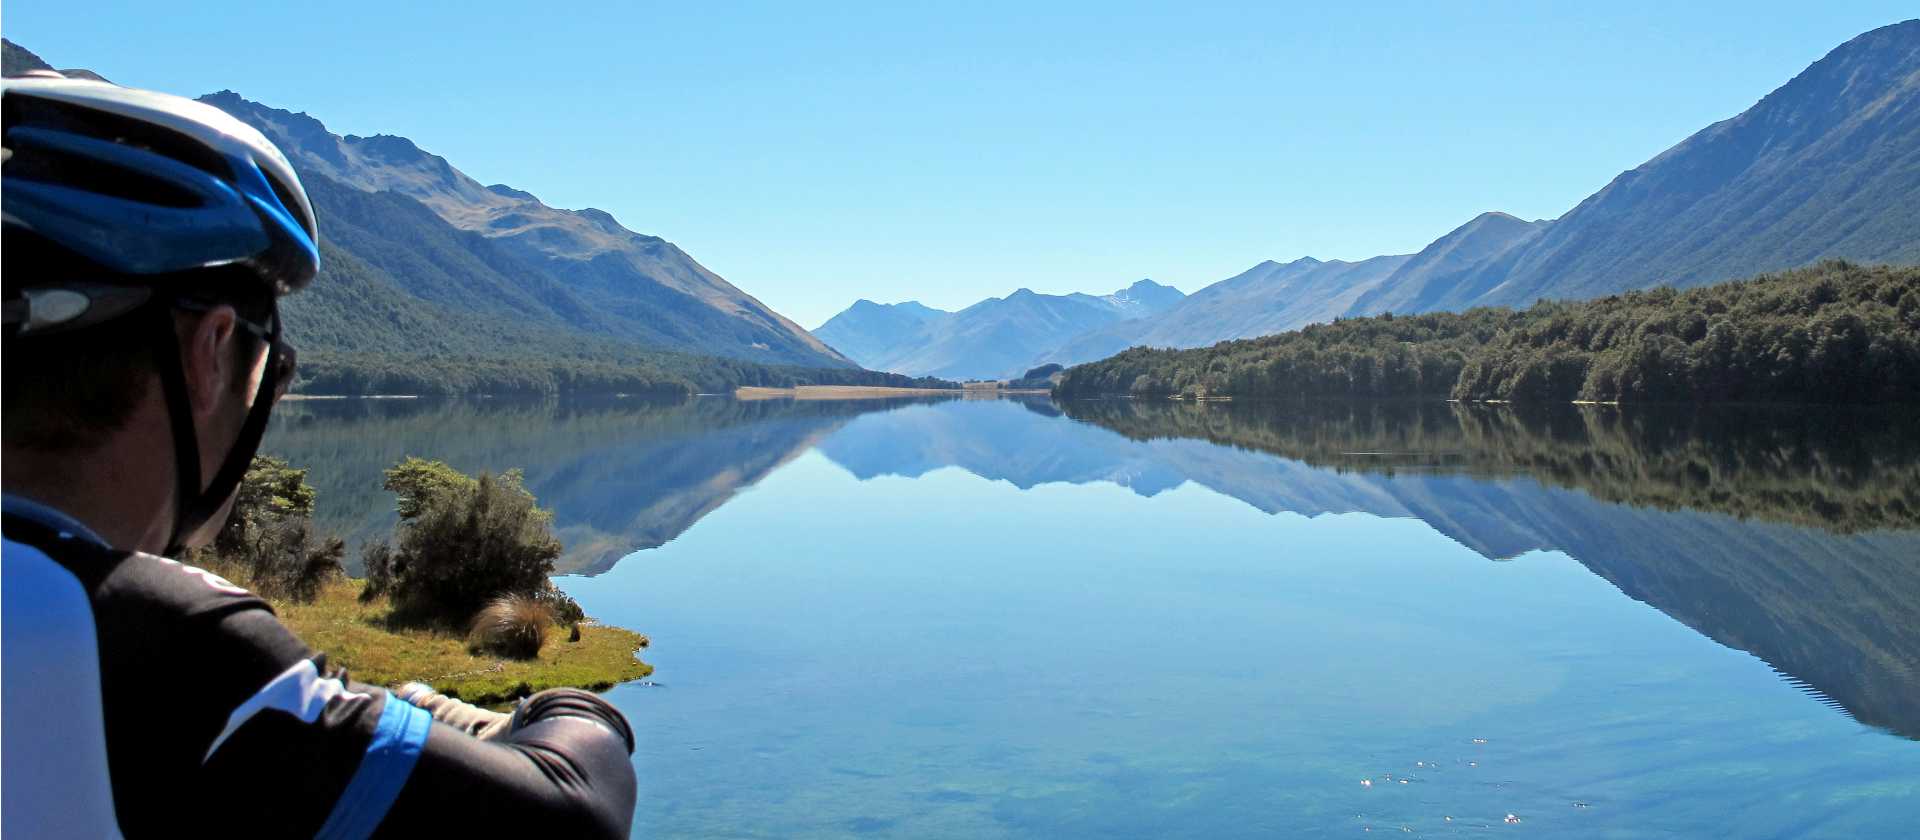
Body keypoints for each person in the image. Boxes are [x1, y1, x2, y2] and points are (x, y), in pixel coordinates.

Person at [1, 74, 638, 838]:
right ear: (208, 352)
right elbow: (574, 810)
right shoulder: (159, 641)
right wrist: (574, 706)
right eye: (274, 362)